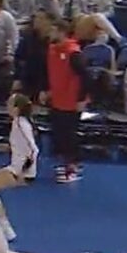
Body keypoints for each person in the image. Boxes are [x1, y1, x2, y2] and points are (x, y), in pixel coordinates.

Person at [0, 93, 38, 242]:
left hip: (18, 171)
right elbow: (22, 146)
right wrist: (8, 147)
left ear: (17, 108)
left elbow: (33, 150)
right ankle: (5, 229)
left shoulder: (20, 123)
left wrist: (22, 172)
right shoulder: (20, 122)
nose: (6, 106)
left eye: (9, 104)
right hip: (18, 168)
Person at [42, 19, 87, 183]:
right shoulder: (52, 49)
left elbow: (85, 77)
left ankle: (73, 168)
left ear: (61, 32)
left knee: (70, 135)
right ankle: (66, 163)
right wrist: (49, 91)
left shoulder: (74, 53)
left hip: (71, 101)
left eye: (53, 30)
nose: (50, 34)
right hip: (57, 99)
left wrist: (82, 99)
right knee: (59, 134)